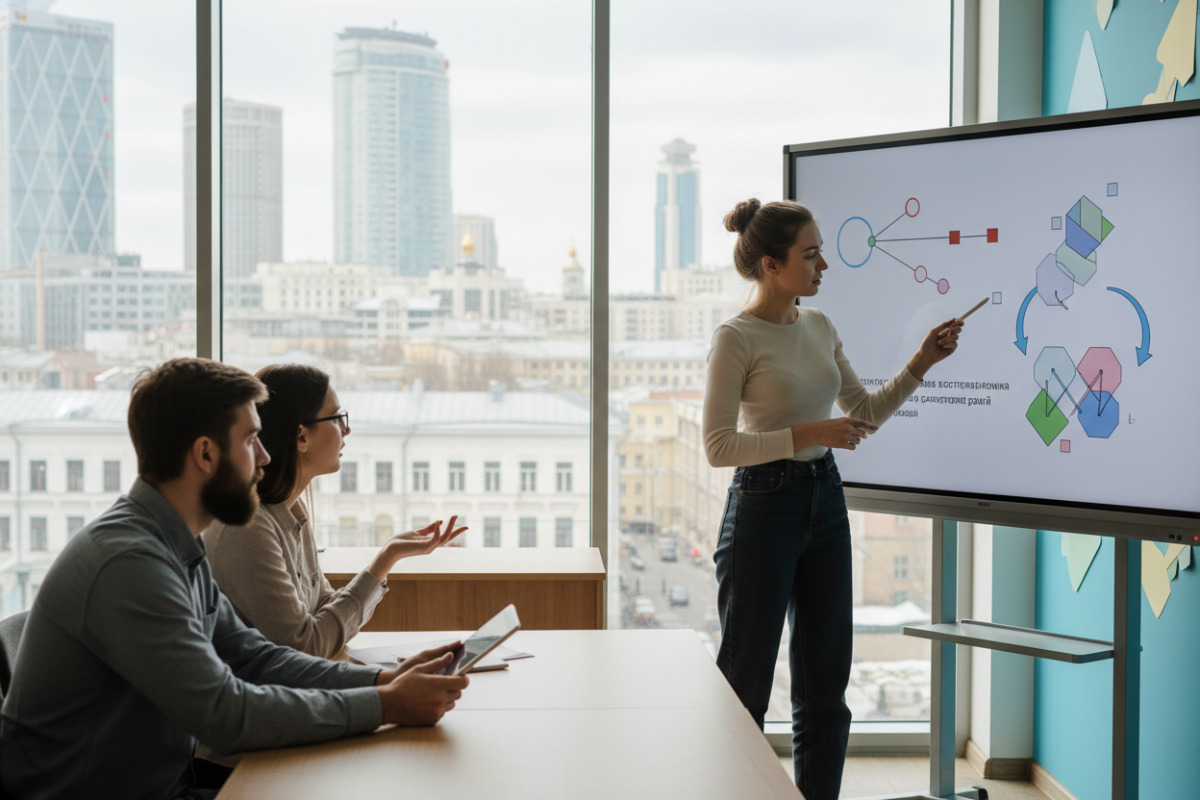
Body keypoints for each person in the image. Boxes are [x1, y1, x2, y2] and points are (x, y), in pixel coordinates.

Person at [0, 358, 469, 800]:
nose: (265, 457)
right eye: (251, 440)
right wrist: (387, 706)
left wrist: (383, 680)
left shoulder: (174, 544)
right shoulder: (129, 564)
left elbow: (255, 658)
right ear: (205, 453)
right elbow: (225, 716)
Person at [702, 199, 964, 800]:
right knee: (744, 684)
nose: (824, 265)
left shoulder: (818, 325)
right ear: (771, 264)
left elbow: (864, 412)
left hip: (825, 499)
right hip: (763, 506)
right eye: (811, 254)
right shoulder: (735, 337)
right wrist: (811, 433)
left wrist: (924, 359)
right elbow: (719, 446)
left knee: (826, 687)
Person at [202, 363, 465, 658]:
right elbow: (306, 645)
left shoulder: (290, 508)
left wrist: (389, 555)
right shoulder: (248, 528)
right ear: (301, 437)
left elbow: (321, 609)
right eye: (337, 418)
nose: (347, 429)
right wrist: (381, 564)